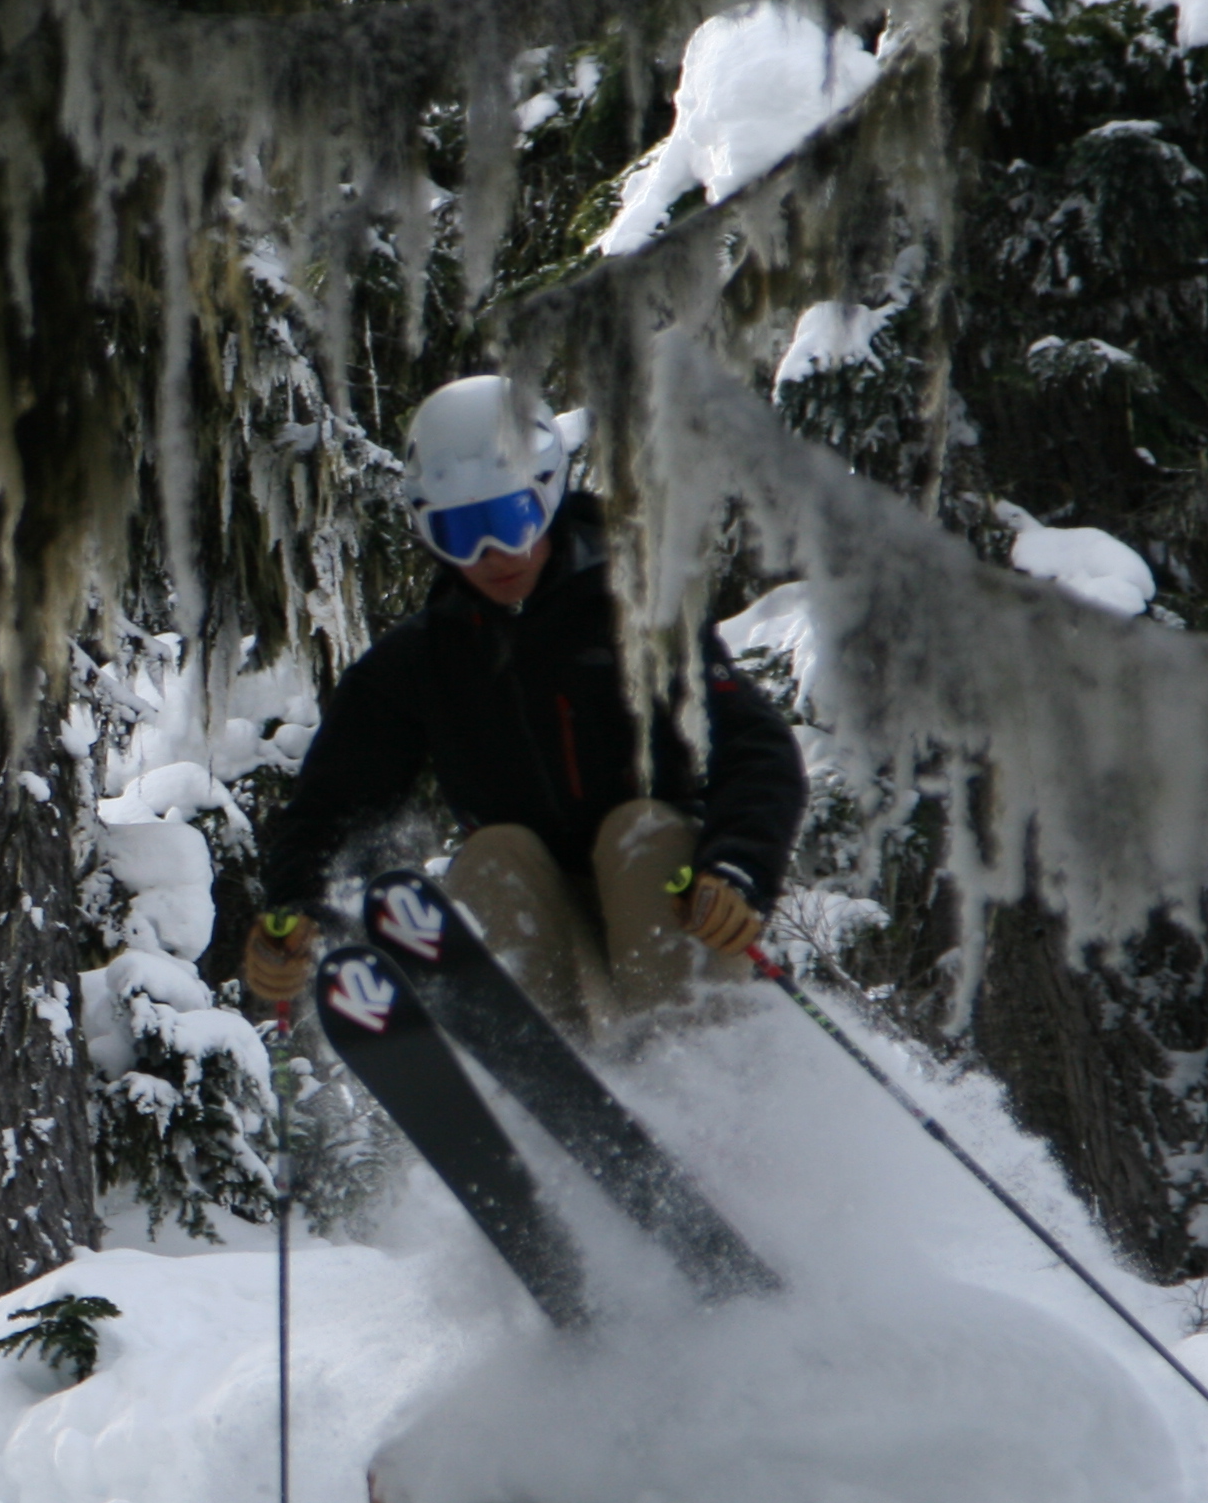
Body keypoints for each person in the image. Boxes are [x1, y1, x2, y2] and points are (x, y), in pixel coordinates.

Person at [240, 376, 807, 1038]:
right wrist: (295, 918)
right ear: (429, 533)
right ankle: (554, 1089)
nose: (495, 555)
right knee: (494, 855)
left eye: (511, 520)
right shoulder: (422, 662)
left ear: (548, 495)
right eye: (462, 533)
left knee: (639, 831)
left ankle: (697, 1062)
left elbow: (755, 747)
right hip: (543, 923)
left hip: (664, 894)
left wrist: (737, 866)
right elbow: (329, 811)